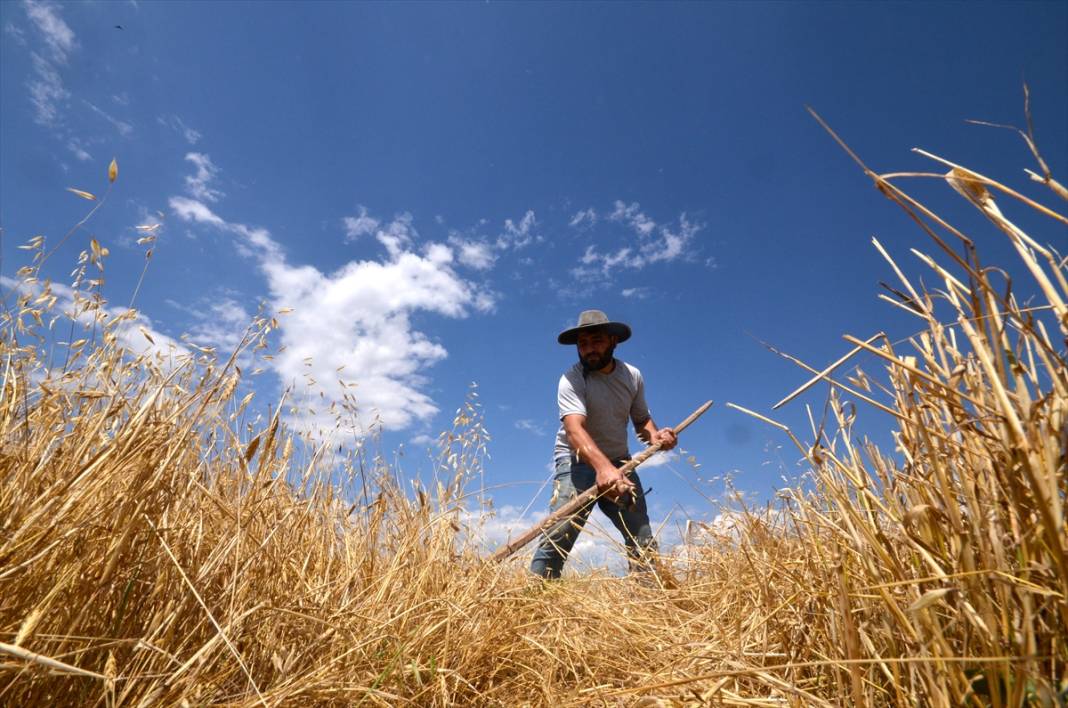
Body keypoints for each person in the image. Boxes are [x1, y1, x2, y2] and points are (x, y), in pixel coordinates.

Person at [529, 310, 677, 579]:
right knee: (560, 531)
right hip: (576, 462)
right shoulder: (572, 379)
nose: (589, 350)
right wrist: (602, 468)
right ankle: (532, 598)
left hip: (620, 461)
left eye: (596, 341)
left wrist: (655, 436)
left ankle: (652, 601)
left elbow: (641, 419)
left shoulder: (632, 376)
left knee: (641, 535)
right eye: (582, 344)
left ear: (613, 342)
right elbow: (574, 430)